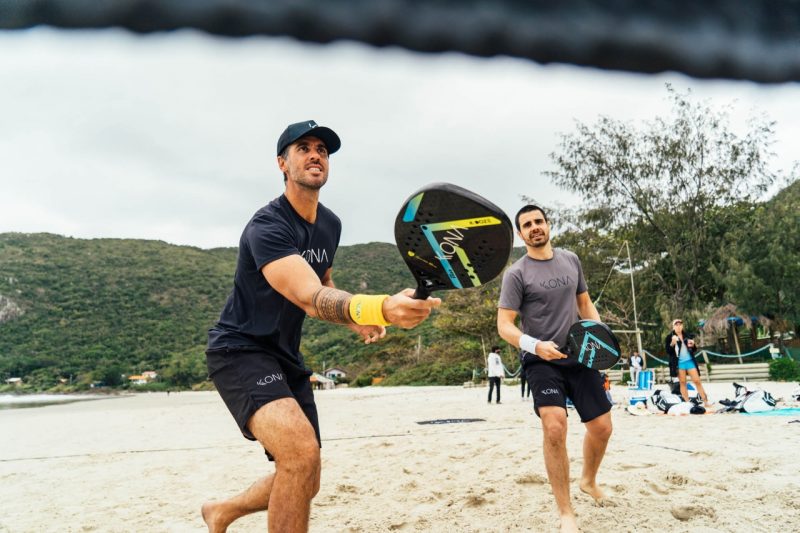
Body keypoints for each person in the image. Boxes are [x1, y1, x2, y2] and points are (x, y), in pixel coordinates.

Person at [201, 120, 441, 533]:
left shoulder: (330, 224)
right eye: (304, 148)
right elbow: (307, 296)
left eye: (323, 150)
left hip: (285, 355)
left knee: (306, 477)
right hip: (239, 350)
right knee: (299, 455)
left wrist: (355, 322)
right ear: (282, 163)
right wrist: (380, 307)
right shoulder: (268, 227)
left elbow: (323, 284)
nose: (316, 155)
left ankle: (223, 511)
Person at [497, 204, 612, 533]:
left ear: (548, 225)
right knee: (555, 427)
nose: (534, 227)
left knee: (603, 427)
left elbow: (585, 303)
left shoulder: (571, 260)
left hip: (579, 354)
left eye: (538, 221)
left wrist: (599, 341)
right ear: (521, 234)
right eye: (527, 225)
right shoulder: (516, 274)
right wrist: (534, 345)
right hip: (541, 359)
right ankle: (566, 513)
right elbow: (505, 325)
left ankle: (588, 481)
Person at [665, 318, 712, 406]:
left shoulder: (688, 335)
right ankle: (687, 403)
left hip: (689, 361)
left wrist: (694, 345)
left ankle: (706, 402)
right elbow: (668, 351)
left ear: (682, 326)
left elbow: (693, 349)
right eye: (676, 325)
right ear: (673, 326)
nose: (678, 326)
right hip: (679, 363)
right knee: (683, 383)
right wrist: (672, 343)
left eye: (680, 324)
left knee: (697, 381)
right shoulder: (669, 337)